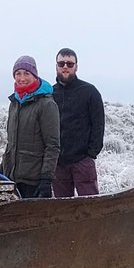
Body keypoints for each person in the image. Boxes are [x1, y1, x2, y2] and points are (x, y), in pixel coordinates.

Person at [2, 56, 60, 198]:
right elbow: (11, 144)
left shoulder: (46, 104)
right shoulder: (15, 103)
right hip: (12, 179)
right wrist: (1, 172)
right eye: (18, 73)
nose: (22, 78)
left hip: (34, 181)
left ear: (34, 75)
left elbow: (52, 145)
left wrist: (46, 179)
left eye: (26, 73)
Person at [52, 48, 104, 197]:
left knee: (91, 206)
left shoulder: (90, 92)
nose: (65, 67)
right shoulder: (50, 93)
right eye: (61, 63)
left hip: (83, 161)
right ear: (56, 66)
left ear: (76, 66)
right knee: (63, 209)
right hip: (58, 163)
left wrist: (91, 153)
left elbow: (98, 124)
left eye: (70, 63)